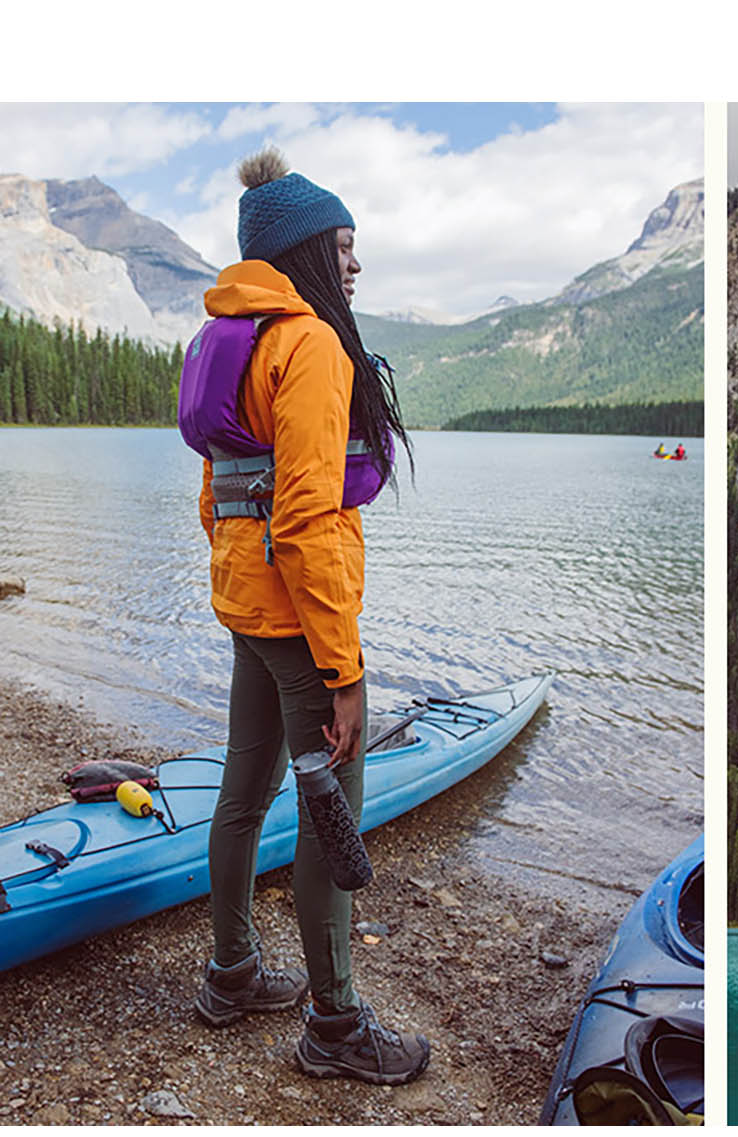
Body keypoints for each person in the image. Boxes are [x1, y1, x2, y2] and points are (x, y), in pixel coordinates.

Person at [187, 148, 429, 1086]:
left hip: (245, 607)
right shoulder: (315, 346)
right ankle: (335, 1025)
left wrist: (239, 589)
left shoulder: (230, 336)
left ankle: (232, 973)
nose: (356, 264)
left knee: (243, 795)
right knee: (334, 815)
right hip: (297, 622)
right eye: (343, 245)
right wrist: (345, 671)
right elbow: (307, 520)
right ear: (305, 253)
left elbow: (219, 497)